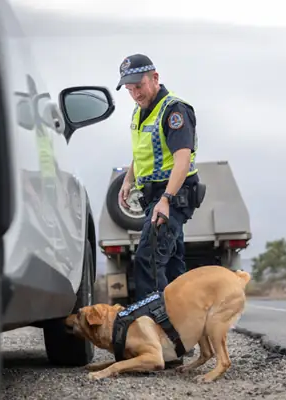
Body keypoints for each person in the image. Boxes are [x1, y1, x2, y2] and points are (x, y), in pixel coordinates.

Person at [116, 53, 201, 302]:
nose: (135, 94)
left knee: (148, 261)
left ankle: (156, 329)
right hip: (154, 198)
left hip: (173, 197)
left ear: (155, 78)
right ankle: (182, 336)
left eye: (139, 87)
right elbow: (142, 151)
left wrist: (166, 199)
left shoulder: (174, 111)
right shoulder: (140, 111)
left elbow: (182, 160)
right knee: (174, 267)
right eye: (130, 90)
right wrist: (128, 179)